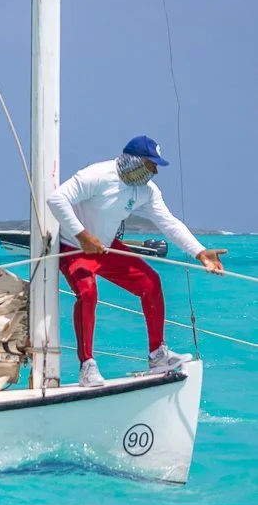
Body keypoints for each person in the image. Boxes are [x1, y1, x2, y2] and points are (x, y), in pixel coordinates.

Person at [48, 136, 224, 387]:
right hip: (73, 247)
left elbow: (169, 223)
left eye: (156, 166)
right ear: (132, 160)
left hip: (105, 247)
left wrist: (200, 252)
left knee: (150, 281)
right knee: (87, 293)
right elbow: (56, 200)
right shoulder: (97, 174)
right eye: (150, 164)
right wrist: (82, 236)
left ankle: (157, 356)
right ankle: (87, 366)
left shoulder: (147, 191)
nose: (154, 171)